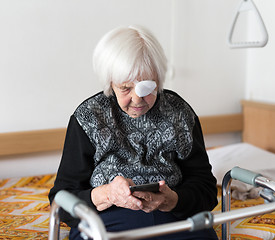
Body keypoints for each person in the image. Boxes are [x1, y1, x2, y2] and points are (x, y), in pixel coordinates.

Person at [48, 25, 219, 240]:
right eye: (126, 88)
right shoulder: (89, 116)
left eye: (147, 88)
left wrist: (173, 199)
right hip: (107, 224)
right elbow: (61, 200)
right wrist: (108, 194)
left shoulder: (180, 113)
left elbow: (206, 188)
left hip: (176, 222)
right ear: (110, 82)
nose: (137, 100)